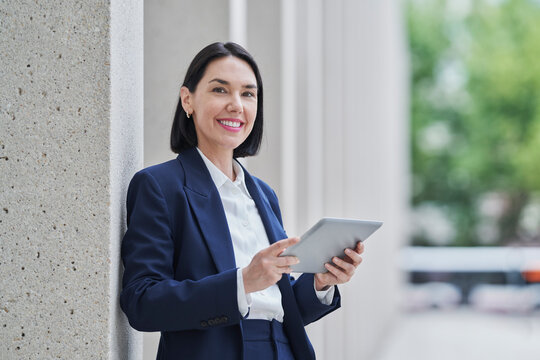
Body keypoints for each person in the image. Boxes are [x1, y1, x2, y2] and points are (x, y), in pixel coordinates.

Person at [120, 42, 365, 360]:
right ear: (188, 100)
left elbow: (279, 307)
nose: (236, 105)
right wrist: (241, 282)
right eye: (220, 90)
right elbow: (142, 302)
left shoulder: (264, 194)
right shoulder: (160, 186)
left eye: (248, 94)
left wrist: (320, 281)